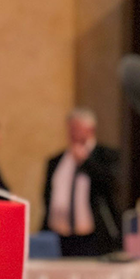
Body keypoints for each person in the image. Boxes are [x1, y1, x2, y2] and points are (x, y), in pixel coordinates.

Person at [42, 108, 121, 256]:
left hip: (94, 237)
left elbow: (111, 185)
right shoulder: (56, 161)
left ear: (91, 130)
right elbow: (47, 194)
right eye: (70, 129)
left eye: (77, 129)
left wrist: (85, 162)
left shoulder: (107, 156)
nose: (72, 133)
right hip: (60, 235)